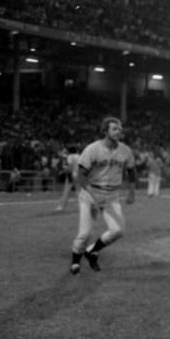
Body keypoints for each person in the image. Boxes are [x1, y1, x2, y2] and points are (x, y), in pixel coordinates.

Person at [69, 117, 137, 275]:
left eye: (120, 129)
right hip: (90, 192)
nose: (119, 131)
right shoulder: (92, 149)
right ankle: (75, 262)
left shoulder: (125, 150)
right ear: (105, 131)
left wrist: (132, 192)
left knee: (118, 230)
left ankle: (91, 251)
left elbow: (132, 172)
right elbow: (81, 175)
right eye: (115, 129)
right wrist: (92, 195)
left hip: (112, 194)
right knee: (85, 233)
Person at [55, 146, 80, 211]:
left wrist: (64, 171)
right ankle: (83, 205)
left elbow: (70, 166)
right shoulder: (79, 156)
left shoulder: (70, 156)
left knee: (66, 191)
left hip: (71, 175)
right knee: (79, 191)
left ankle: (61, 207)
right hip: (79, 175)